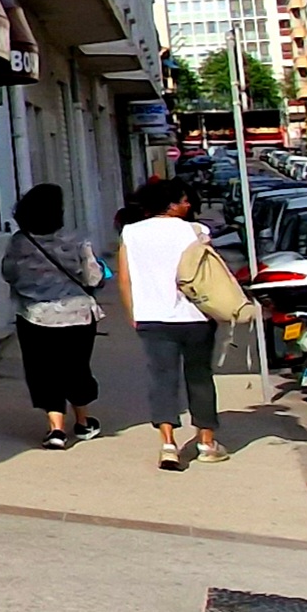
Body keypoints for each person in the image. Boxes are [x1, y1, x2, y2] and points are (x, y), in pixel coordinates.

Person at [116, 176, 224, 470]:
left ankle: (168, 444)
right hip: (196, 316)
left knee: (162, 379)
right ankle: (206, 442)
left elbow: (124, 279)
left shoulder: (131, 233)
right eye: (184, 200)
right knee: (200, 377)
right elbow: (210, 274)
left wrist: (133, 313)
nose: (188, 205)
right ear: (171, 204)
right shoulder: (197, 231)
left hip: (152, 317)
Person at [1, 183, 105, 448]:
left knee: (43, 370)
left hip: (35, 315)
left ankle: (56, 429)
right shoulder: (77, 239)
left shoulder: (20, 242)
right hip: (78, 314)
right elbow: (93, 276)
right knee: (77, 366)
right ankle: (83, 422)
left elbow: (8, 274)